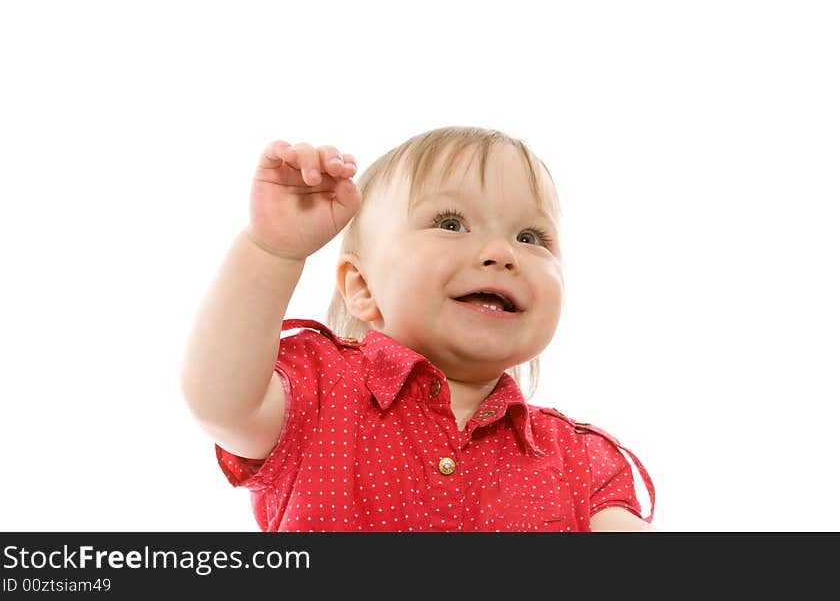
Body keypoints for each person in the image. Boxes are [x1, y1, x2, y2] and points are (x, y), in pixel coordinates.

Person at [180, 126, 656, 532]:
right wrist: (272, 251)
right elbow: (221, 400)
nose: (502, 252)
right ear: (363, 286)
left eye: (530, 238)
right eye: (451, 224)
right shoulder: (318, 391)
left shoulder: (581, 461)